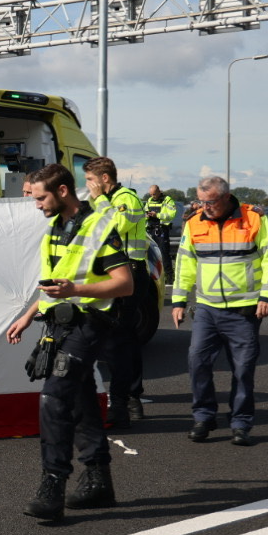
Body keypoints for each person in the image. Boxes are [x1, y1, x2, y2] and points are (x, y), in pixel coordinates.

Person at [5, 163, 134, 520]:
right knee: (79, 397)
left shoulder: (98, 226)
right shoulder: (55, 228)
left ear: (63, 191)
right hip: (58, 324)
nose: (37, 205)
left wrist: (76, 289)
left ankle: (53, 483)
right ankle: (98, 481)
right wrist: (28, 315)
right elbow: (55, 283)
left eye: (41, 197)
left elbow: (125, 284)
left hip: (89, 323)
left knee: (55, 396)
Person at [171, 174, 268, 446]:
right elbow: (185, 264)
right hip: (207, 309)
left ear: (226, 197)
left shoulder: (253, 219)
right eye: (201, 201)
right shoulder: (194, 222)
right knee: (197, 362)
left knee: (243, 370)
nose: (205, 207)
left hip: (243, 311)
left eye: (210, 202)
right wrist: (179, 301)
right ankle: (203, 417)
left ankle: (240, 423)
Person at [82, 157, 149, 428]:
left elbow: (112, 229)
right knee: (120, 339)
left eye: (90, 179)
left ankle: (127, 400)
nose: (87, 185)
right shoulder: (101, 200)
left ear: (104, 179)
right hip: (109, 273)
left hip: (129, 273)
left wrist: (98, 200)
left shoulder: (126, 199)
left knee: (121, 339)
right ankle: (129, 397)